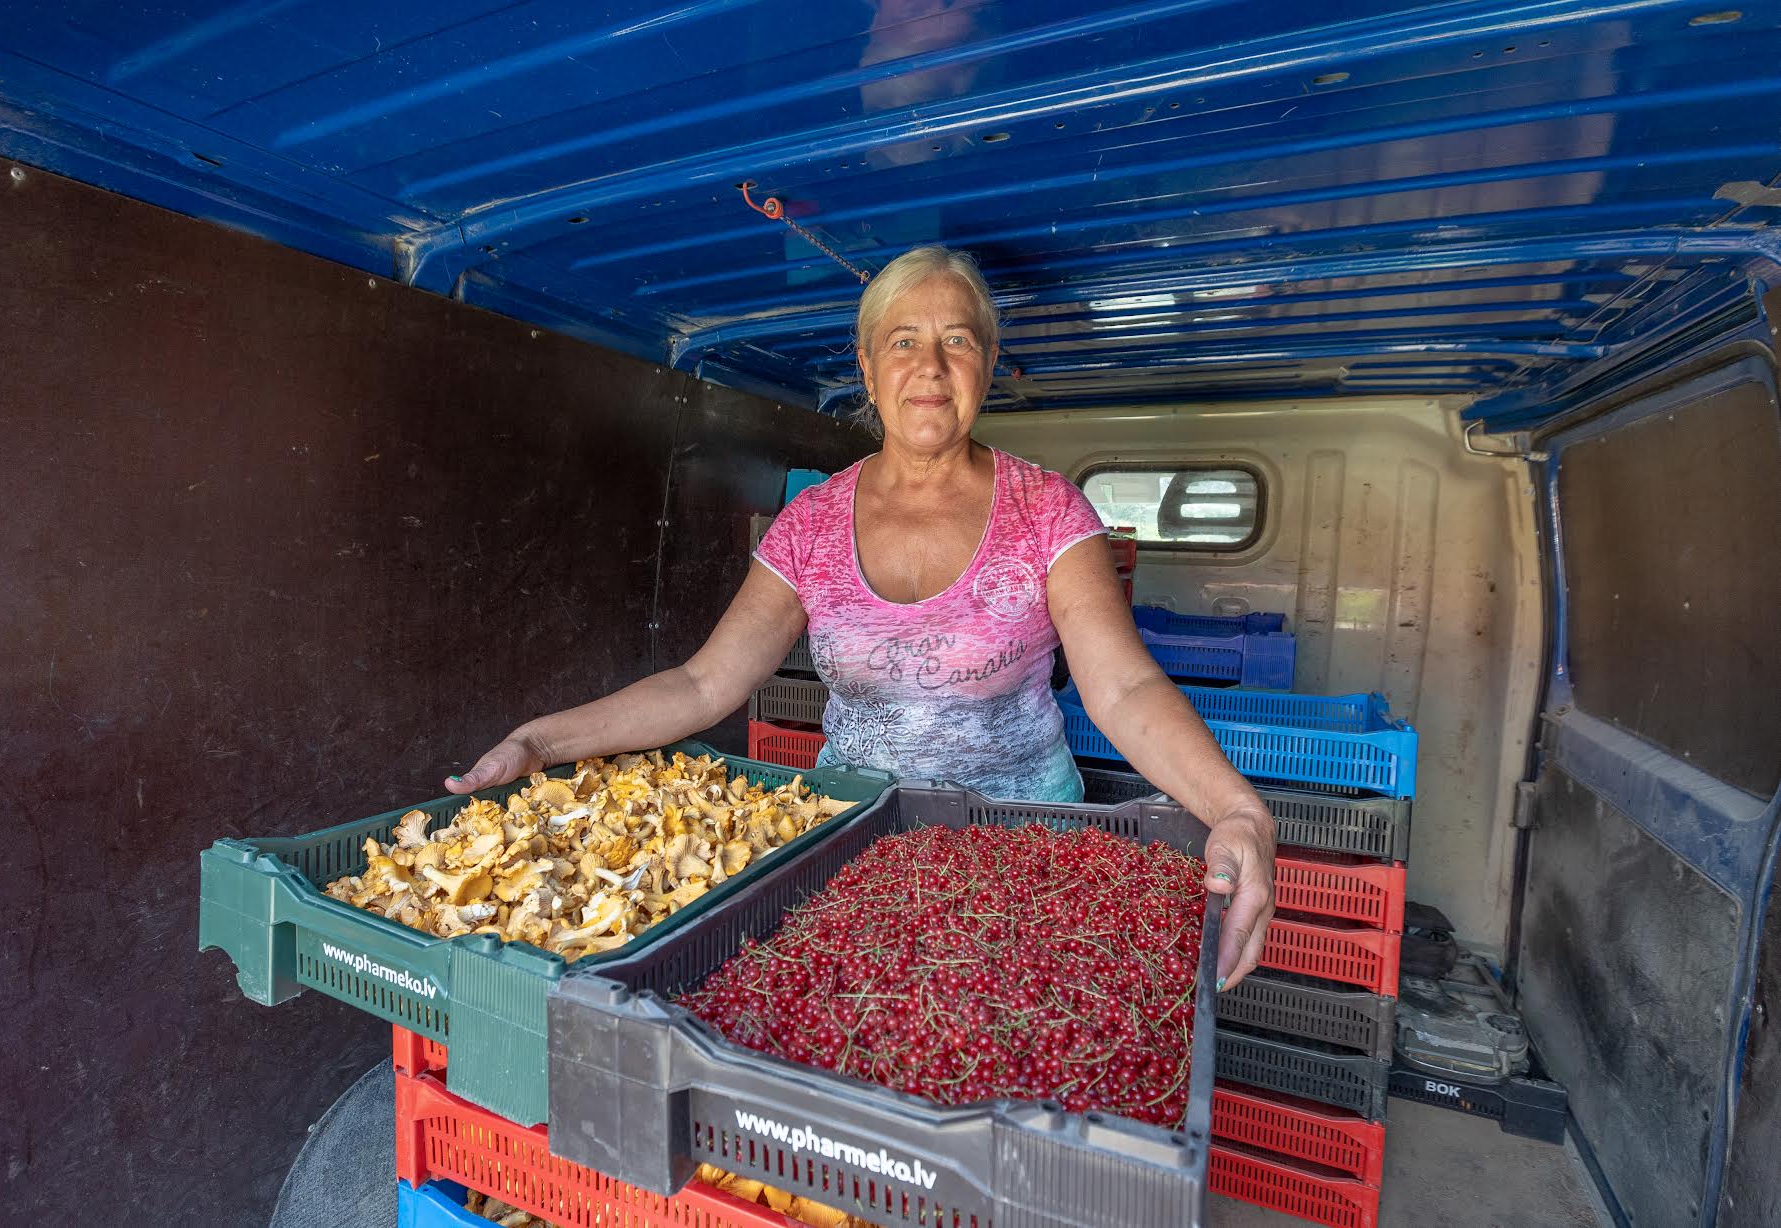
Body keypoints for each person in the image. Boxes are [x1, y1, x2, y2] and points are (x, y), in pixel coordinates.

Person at [448, 245, 1276, 989]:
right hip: (848, 842)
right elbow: (705, 683)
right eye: (904, 340)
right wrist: (541, 742)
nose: (931, 365)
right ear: (868, 364)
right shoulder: (810, 523)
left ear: (987, 363)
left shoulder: (1047, 512)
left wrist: (1238, 812)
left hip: (1020, 849)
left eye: (957, 340)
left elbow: (1124, 689)